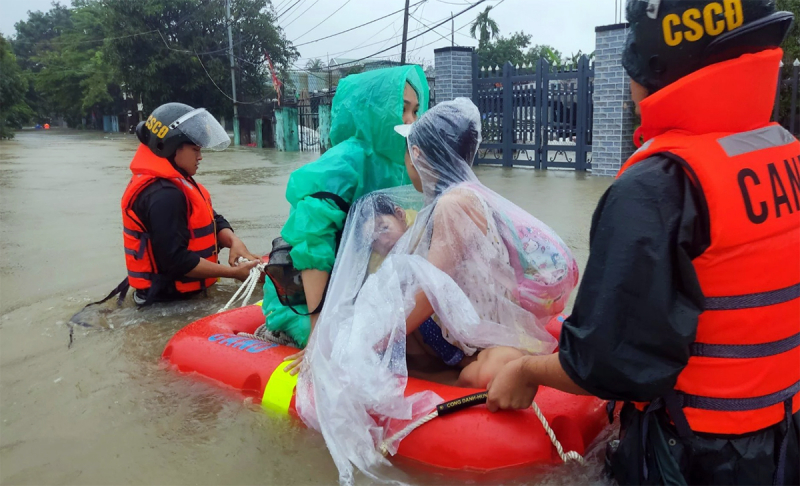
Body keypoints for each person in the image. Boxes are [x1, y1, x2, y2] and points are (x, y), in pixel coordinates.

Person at [487, 1, 800, 484]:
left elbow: (606, 364)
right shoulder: (786, 154)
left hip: (694, 454)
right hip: (784, 436)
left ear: (655, 63)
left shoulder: (659, 184)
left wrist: (525, 372)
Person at [295, 98, 578, 484]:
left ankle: (462, 381)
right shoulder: (462, 197)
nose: (407, 165)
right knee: (401, 339)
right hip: (464, 335)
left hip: (482, 341)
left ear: (423, 158)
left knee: (476, 373)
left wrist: (373, 343)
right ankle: (449, 374)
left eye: (409, 155)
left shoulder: (453, 204)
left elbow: (431, 289)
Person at [257, 66, 429, 365]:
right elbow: (314, 246)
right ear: (375, 110)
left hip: (363, 292)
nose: (410, 121)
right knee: (355, 353)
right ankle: (290, 329)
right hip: (310, 299)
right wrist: (317, 336)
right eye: (402, 109)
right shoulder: (343, 162)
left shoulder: (401, 163)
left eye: (415, 110)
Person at [120, 102, 259, 305]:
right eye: (195, 149)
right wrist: (233, 273)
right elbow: (175, 261)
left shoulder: (178, 184)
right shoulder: (163, 195)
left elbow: (213, 219)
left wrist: (233, 241)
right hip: (165, 305)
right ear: (171, 147)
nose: (200, 156)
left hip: (184, 298)